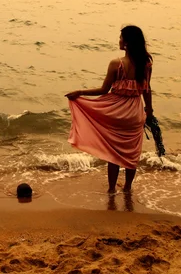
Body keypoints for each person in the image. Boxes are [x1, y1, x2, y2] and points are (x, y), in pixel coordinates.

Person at [65, 25, 153, 193]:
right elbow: (147, 90)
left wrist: (80, 93)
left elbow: (103, 90)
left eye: (121, 38)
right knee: (132, 154)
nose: (119, 40)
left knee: (113, 154)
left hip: (116, 113)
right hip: (135, 114)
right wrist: (149, 111)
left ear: (127, 42)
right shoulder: (146, 64)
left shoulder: (116, 64)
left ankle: (111, 189)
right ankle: (127, 188)